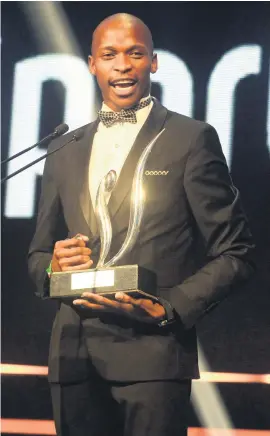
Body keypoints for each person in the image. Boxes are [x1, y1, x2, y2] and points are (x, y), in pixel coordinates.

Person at [28, 13, 255, 436]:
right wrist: (54, 267)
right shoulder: (64, 147)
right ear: (92, 64)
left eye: (135, 54)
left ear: (153, 62)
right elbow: (38, 258)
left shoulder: (190, 139)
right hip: (73, 359)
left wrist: (169, 308)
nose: (122, 65)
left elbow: (236, 252)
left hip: (152, 358)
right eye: (110, 55)